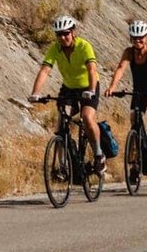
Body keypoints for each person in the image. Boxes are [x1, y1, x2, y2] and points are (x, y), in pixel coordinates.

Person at [30, 14, 104, 171]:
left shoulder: (84, 46)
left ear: (73, 32)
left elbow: (92, 70)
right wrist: (35, 93)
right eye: (59, 35)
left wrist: (91, 90)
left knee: (87, 117)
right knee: (62, 121)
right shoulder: (55, 49)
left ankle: (99, 154)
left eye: (66, 33)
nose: (63, 37)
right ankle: (62, 165)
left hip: (88, 86)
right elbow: (44, 70)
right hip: (69, 88)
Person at [103, 20, 147, 147]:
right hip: (139, 90)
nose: (137, 41)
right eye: (134, 38)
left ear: (146, 36)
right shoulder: (129, 52)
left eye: (140, 38)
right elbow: (121, 68)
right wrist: (112, 87)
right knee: (134, 118)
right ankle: (135, 157)